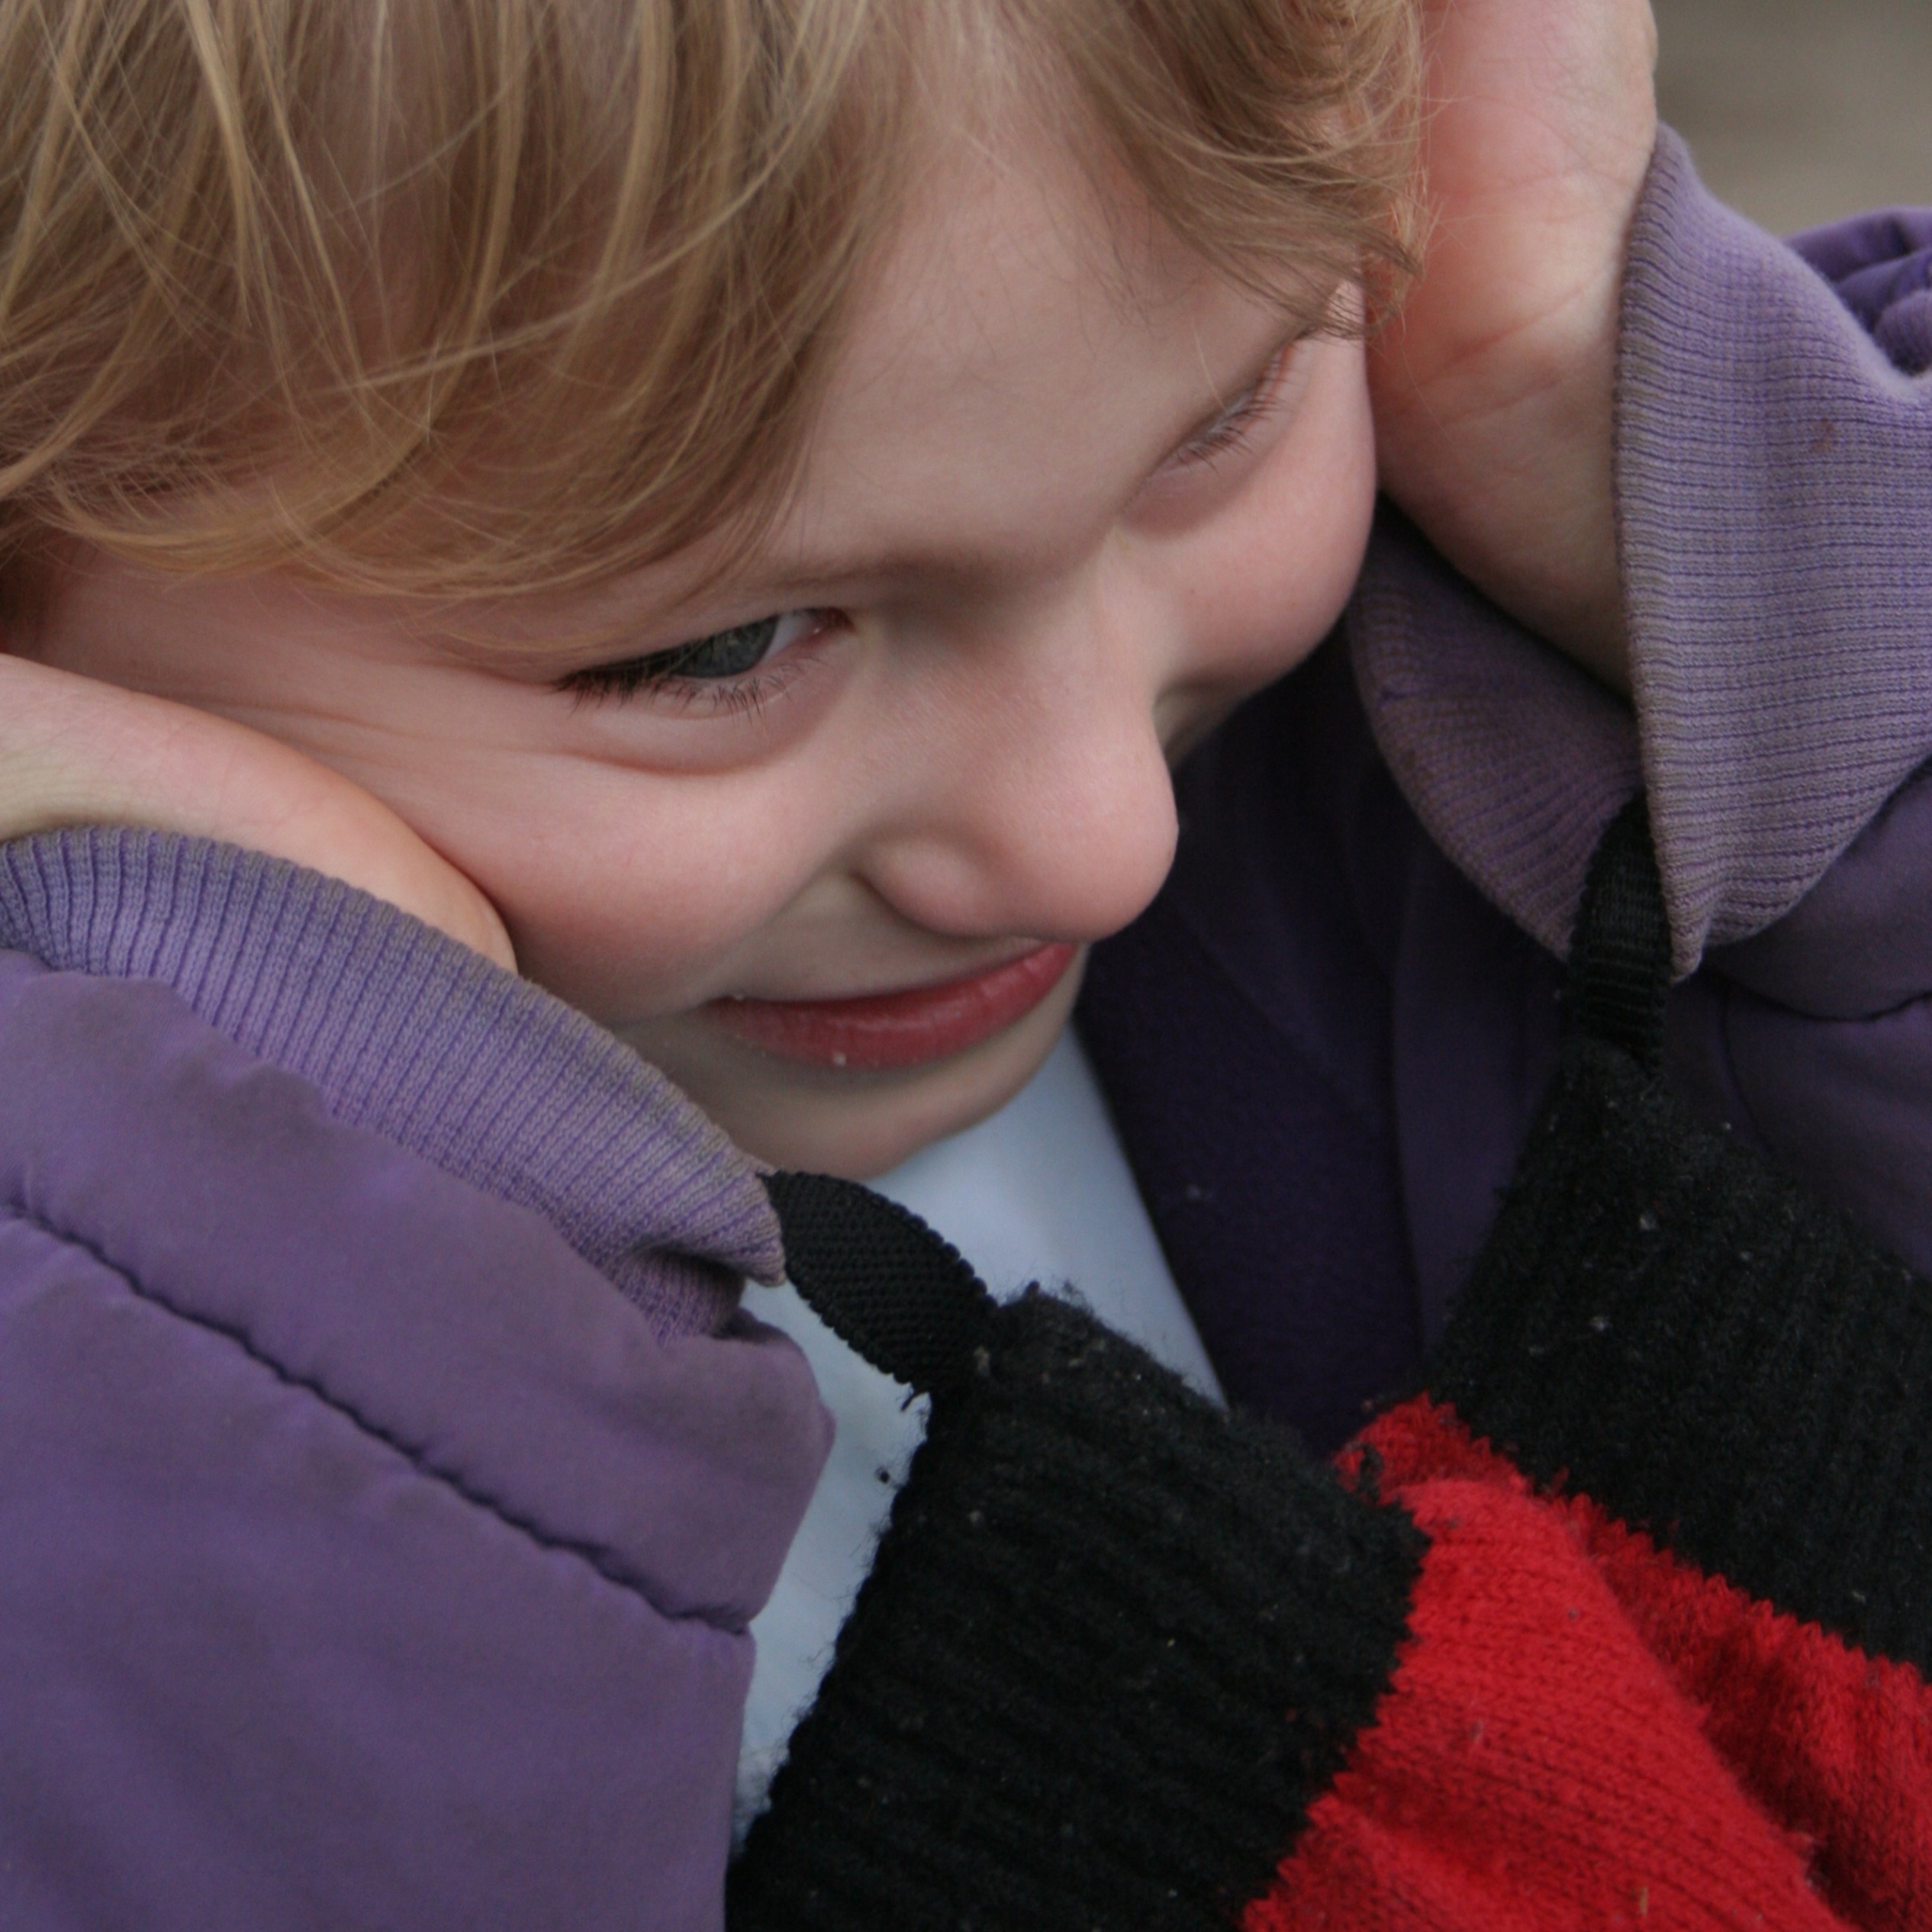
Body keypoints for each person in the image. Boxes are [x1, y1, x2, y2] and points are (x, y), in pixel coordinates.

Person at [0, 0, 1926, 1924]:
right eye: (721, 650)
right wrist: (268, 1263)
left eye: (1225, 415)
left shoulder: (1491, 764)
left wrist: (1724, 558)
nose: (1103, 841)